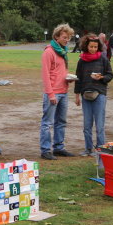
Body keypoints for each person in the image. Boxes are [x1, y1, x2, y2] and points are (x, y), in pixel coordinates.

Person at [39, 24, 75, 161]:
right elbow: (46, 75)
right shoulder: (49, 52)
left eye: (69, 38)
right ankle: (45, 150)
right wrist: (51, 94)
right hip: (53, 93)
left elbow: (59, 72)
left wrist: (68, 79)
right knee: (47, 123)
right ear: (57, 37)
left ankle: (59, 147)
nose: (67, 40)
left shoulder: (63, 51)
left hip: (64, 92)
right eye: (65, 37)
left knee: (61, 121)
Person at [74, 34, 113, 156]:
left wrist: (101, 77)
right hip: (85, 95)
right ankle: (88, 148)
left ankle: (100, 149)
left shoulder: (103, 59)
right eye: (91, 47)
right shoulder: (82, 60)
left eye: (95, 47)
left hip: (100, 94)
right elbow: (78, 79)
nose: (93, 49)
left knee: (99, 125)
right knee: (87, 125)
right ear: (86, 46)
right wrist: (77, 95)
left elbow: (110, 75)